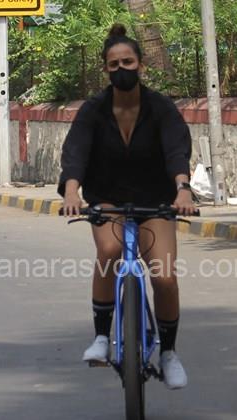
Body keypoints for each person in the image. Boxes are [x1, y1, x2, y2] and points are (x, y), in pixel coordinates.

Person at [58, 24, 196, 389]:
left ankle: (169, 354)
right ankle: (102, 338)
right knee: (109, 250)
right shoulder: (93, 110)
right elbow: (76, 153)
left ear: (141, 65)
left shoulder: (160, 107)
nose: (122, 69)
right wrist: (71, 193)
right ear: (105, 69)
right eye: (114, 64)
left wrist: (183, 190)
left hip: (155, 199)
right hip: (107, 197)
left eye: (128, 62)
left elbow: (176, 150)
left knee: (164, 277)